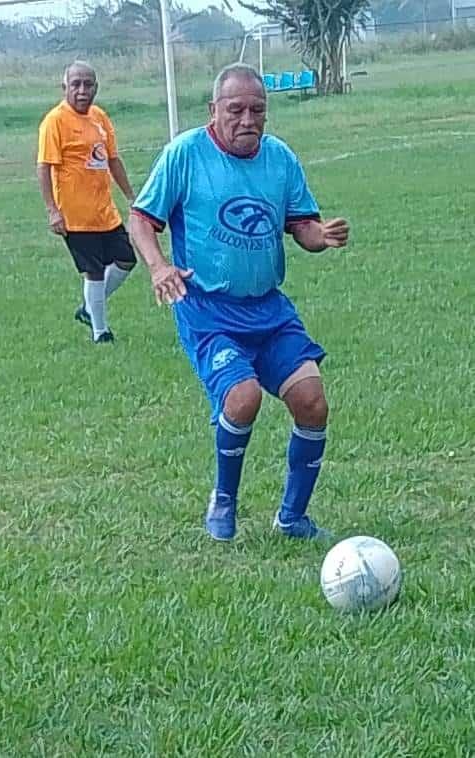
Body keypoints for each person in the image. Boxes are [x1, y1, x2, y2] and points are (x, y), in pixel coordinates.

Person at [129, 63, 350, 541]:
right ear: (214, 111)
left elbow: (302, 227)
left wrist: (321, 236)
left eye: (257, 110)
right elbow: (141, 219)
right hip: (209, 311)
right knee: (242, 396)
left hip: (268, 309)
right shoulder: (185, 154)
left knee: (312, 402)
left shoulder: (280, 158)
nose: (248, 119)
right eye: (236, 110)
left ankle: (293, 518)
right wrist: (158, 266)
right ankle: (224, 499)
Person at [37, 61, 138, 343]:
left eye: (88, 84)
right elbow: (44, 167)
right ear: (64, 87)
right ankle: (100, 331)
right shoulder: (55, 121)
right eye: (76, 84)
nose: (82, 91)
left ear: (96, 87)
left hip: (104, 211)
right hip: (75, 214)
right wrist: (52, 211)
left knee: (127, 260)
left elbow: (113, 160)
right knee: (93, 271)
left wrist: (131, 197)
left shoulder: (100, 117)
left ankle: (88, 308)